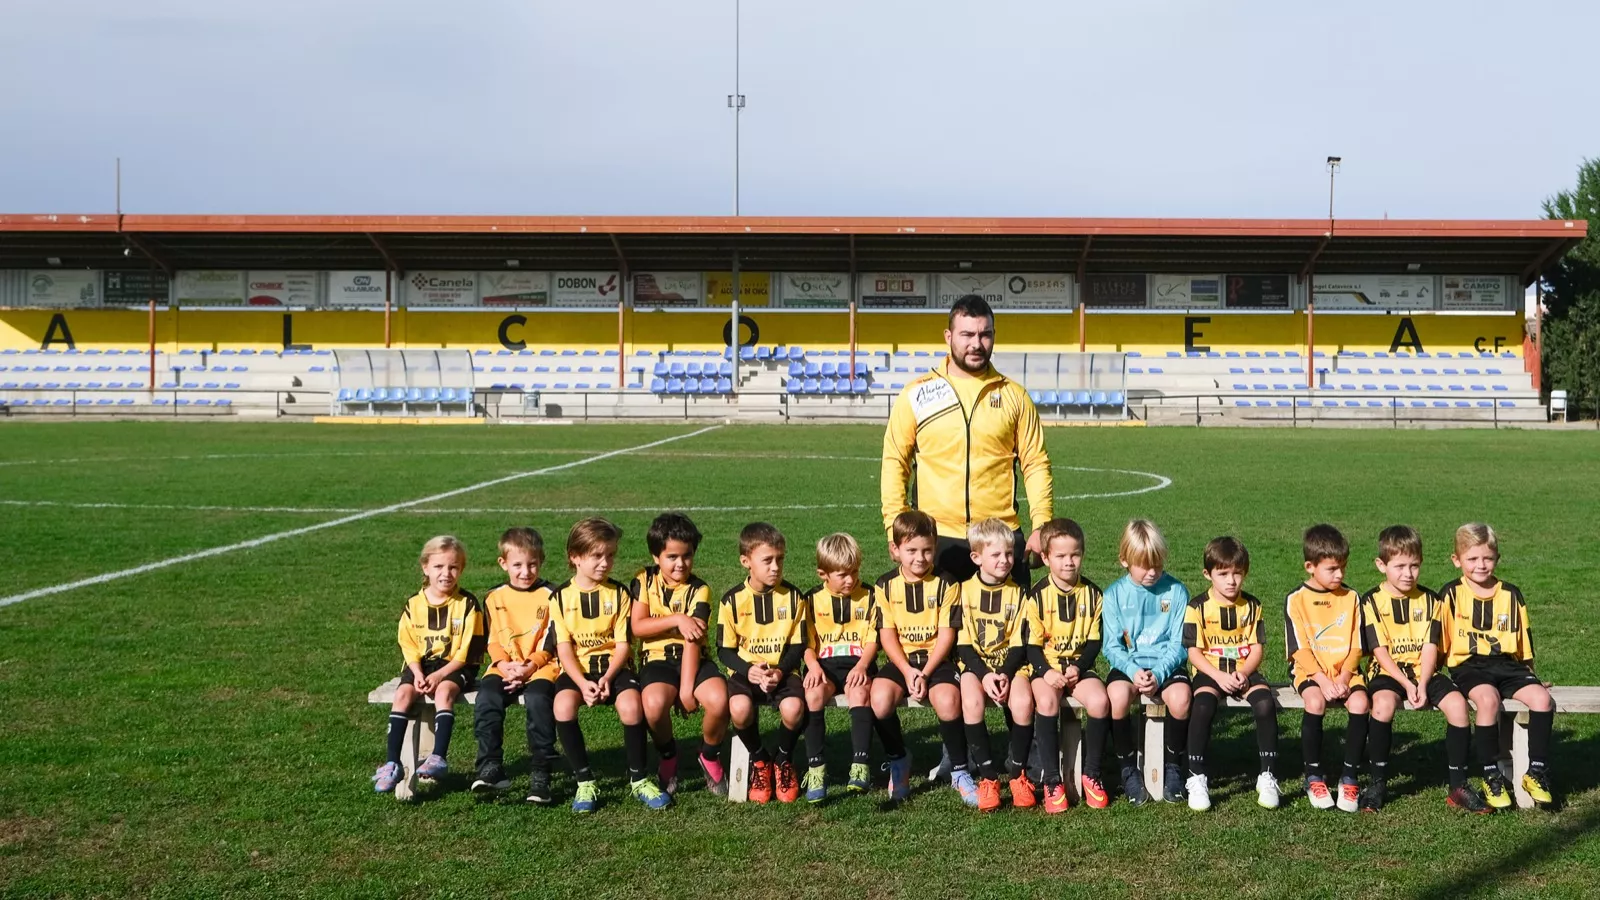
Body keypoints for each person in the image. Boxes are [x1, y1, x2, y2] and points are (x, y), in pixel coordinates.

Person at [881, 294, 1054, 586]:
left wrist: (1042, 525)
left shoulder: (1014, 395)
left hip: (1000, 537)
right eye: (967, 334)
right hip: (935, 539)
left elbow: (1035, 463)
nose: (976, 343)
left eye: (985, 334)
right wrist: (895, 528)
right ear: (948, 336)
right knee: (934, 632)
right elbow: (895, 462)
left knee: (1010, 631)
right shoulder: (917, 394)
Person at [1359, 525, 1484, 813]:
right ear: (1381, 565)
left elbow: (1430, 648)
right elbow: (1379, 651)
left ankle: (1458, 785)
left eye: (1414, 566)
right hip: (1388, 672)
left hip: (1423, 672)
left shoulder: (1431, 601)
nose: (1408, 573)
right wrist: (1405, 684)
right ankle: (1377, 782)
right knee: (1382, 705)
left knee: (1457, 706)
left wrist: (1423, 682)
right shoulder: (1371, 601)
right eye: (1399, 566)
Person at [550, 518, 671, 813]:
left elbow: (622, 645)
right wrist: (581, 683)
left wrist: (606, 678)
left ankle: (638, 778)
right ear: (574, 557)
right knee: (562, 706)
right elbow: (564, 648)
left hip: (614, 669)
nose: (605, 563)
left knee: (632, 706)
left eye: (611, 555)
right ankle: (584, 782)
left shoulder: (619, 594)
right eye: (597, 556)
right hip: (578, 671)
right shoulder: (560, 597)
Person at [1439, 522, 1555, 809]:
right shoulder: (1451, 594)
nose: (1481, 565)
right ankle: (1490, 775)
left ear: (1497, 558)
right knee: (1487, 700)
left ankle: (1536, 771)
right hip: (1470, 666)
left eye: (1487, 558)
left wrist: (1531, 675)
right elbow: (1439, 640)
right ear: (1457, 560)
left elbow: (1523, 640)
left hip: (1507, 665)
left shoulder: (1511, 594)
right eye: (1473, 559)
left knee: (1542, 699)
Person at [629, 512, 730, 797]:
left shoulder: (700, 589)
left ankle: (709, 755)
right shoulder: (643, 580)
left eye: (686, 556)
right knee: (653, 702)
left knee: (719, 699)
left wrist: (687, 688)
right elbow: (638, 626)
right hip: (657, 660)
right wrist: (676, 618)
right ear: (655, 555)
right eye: (671, 557)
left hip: (693, 659)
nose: (680, 563)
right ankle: (668, 754)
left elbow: (693, 641)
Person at [870, 510, 969, 804]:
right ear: (895, 550)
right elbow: (886, 635)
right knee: (879, 699)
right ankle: (899, 758)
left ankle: (961, 771)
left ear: (935, 547)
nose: (920, 558)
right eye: (911, 550)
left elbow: (946, 635)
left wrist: (924, 672)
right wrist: (907, 670)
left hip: (936, 662)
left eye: (927, 550)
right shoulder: (884, 585)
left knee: (948, 701)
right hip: (902, 661)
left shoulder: (947, 583)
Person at [373, 535, 483, 793]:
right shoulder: (413, 604)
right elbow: (408, 644)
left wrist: (439, 676)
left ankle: (437, 757)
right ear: (425, 568)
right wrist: (418, 673)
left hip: (456, 667)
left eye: (453, 567)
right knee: (403, 694)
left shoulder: (468, 604)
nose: (446, 573)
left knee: (444, 692)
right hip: (421, 667)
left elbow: (466, 653)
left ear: (461, 569)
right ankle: (392, 763)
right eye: (439, 567)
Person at [1182, 536, 1280, 811]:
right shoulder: (1197, 606)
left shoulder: (1252, 605)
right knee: (1202, 706)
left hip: (1244, 671)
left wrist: (1244, 672)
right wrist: (1218, 676)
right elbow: (1193, 652)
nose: (1231, 581)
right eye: (1223, 574)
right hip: (1210, 672)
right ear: (1208, 574)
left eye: (1237, 573)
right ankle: (1196, 777)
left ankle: (1268, 775)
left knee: (1264, 703)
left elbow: (1257, 648)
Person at [718, 522, 810, 804]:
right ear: (746, 561)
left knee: (794, 708)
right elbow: (724, 650)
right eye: (767, 560)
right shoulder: (732, 601)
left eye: (780, 560)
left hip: (783, 671)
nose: (775, 567)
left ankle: (783, 760)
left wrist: (780, 670)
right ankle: (760, 761)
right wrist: (750, 671)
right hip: (747, 673)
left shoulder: (794, 597)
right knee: (739, 708)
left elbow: (799, 645)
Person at [1102, 519, 1192, 805]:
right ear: (1124, 561)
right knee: (1116, 696)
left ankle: (1173, 767)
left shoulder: (1176, 592)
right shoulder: (1114, 595)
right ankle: (1128, 769)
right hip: (1130, 666)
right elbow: (1111, 646)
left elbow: (1181, 645)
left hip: (1165, 667)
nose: (1153, 572)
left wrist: (1158, 672)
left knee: (1180, 698)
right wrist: (1133, 670)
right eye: (1144, 565)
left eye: (1158, 564)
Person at [1025, 517, 1112, 813]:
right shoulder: (1035, 596)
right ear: (1046, 558)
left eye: (1075, 555)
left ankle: (1092, 774)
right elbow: (1031, 647)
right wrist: (1047, 672)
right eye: (1060, 556)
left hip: (1078, 667)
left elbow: (1094, 641)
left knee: (1100, 700)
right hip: (1045, 668)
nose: (1069, 562)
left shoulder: (1094, 594)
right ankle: (1052, 780)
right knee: (1047, 701)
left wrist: (1078, 667)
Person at [472, 527, 561, 804]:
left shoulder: (552, 594)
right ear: (503, 564)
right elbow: (491, 639)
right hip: (505, 665)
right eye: (518, 565)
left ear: (541, 562)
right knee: (487, 697)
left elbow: (552, 639)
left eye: (532, 564)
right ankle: (490, 766)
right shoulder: (493, 597)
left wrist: (529, 667)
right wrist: (504, 663)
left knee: (537, 699)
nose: (525, 572)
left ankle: (541, 773)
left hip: (542, 666)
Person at [953, 517, 1036, 812]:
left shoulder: (1020, 593)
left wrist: (1004, 673)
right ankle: (988, 778)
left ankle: (1017, 774)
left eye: (1010, 554)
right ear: (976, 558)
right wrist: (986, 675)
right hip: (976, 668)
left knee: (1023, 702)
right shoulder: (962, 592)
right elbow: (962, 644)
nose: (1005, 560)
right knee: (972, 701)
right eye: (996, 555)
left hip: (1012, 667)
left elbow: (1019, 643)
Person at [1285, 524, 1368, 813]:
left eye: (1343, 567)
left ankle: (1349, 776)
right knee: (1315, 701)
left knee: (1360, 702)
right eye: (1332, 569)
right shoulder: (1296, 599)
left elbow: (1357, 645)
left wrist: (1344, 677)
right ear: (1310, 566)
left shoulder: (1352, 598)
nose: (1340, 575)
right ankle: (1314, 776)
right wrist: (1322, 680)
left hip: (1345, 673)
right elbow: (1299, 649)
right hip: (1310, 673)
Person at [800, 532, 880, 802]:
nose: (851, 579)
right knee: (812, 695)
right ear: (823, 573)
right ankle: (816, 768)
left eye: (855, 571)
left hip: (859, 662)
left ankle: (860, 765)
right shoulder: (810, 600)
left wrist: (863, 666)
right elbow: (806, 643)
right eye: (843, 574)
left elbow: (872, 639)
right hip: (823, 666)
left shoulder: (869, 595)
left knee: (859, 692)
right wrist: (812, 666)